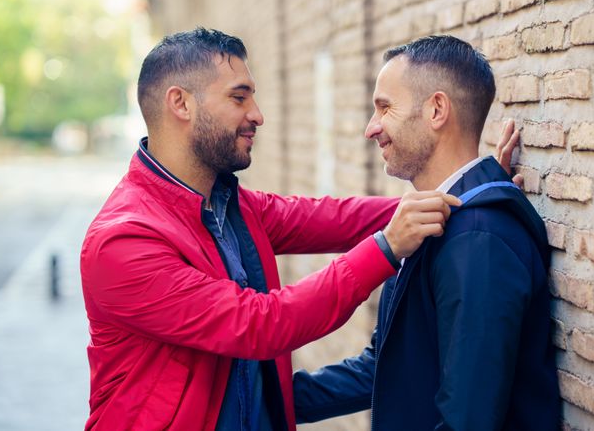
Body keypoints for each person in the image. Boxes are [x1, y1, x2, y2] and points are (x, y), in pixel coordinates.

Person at [80, 27, 465, 431]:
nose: (257, 115)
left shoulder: (230, 205)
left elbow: (335, 218)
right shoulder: (122, 241)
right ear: (181, 103)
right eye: (239, 97)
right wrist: (386, 249)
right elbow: (260, 324)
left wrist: (460, 192)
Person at [293, 35, 560, 430]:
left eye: (385, 108)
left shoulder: (478, 240)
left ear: (437, 110)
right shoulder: (436, 222)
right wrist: (266, 402)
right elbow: (386, 365)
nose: (371, 128)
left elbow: (466, 421)